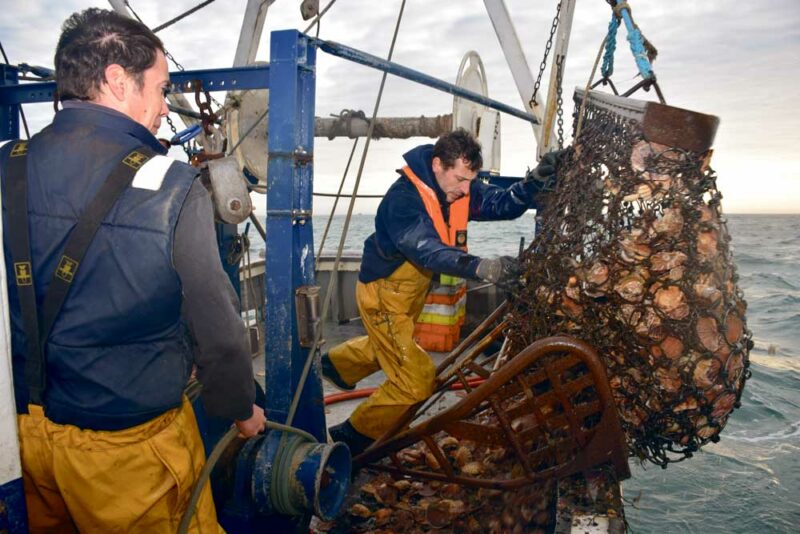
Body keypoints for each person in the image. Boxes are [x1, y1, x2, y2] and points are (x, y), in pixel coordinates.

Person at [0, 8, 265, 533]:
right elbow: (220, 334)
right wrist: (240, 406)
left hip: (25, 438)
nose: (165, 109)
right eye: (161, 89)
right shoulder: (171, 187)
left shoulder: (9, 161)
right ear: (118, 81)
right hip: (130, 451)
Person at [324, 129, 566, 455]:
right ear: (438, 164)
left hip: (410, 291)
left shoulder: (456, 187)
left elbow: (501, 204)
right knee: (416, 379)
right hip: (383, 293)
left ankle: (334, 367)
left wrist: (534, 183)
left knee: (386, 344)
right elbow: (428, 251)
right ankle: (352, 435)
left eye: (471, 180)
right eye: (461, 179)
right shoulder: (403, 201)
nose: (466, 190)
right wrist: (483, 267)